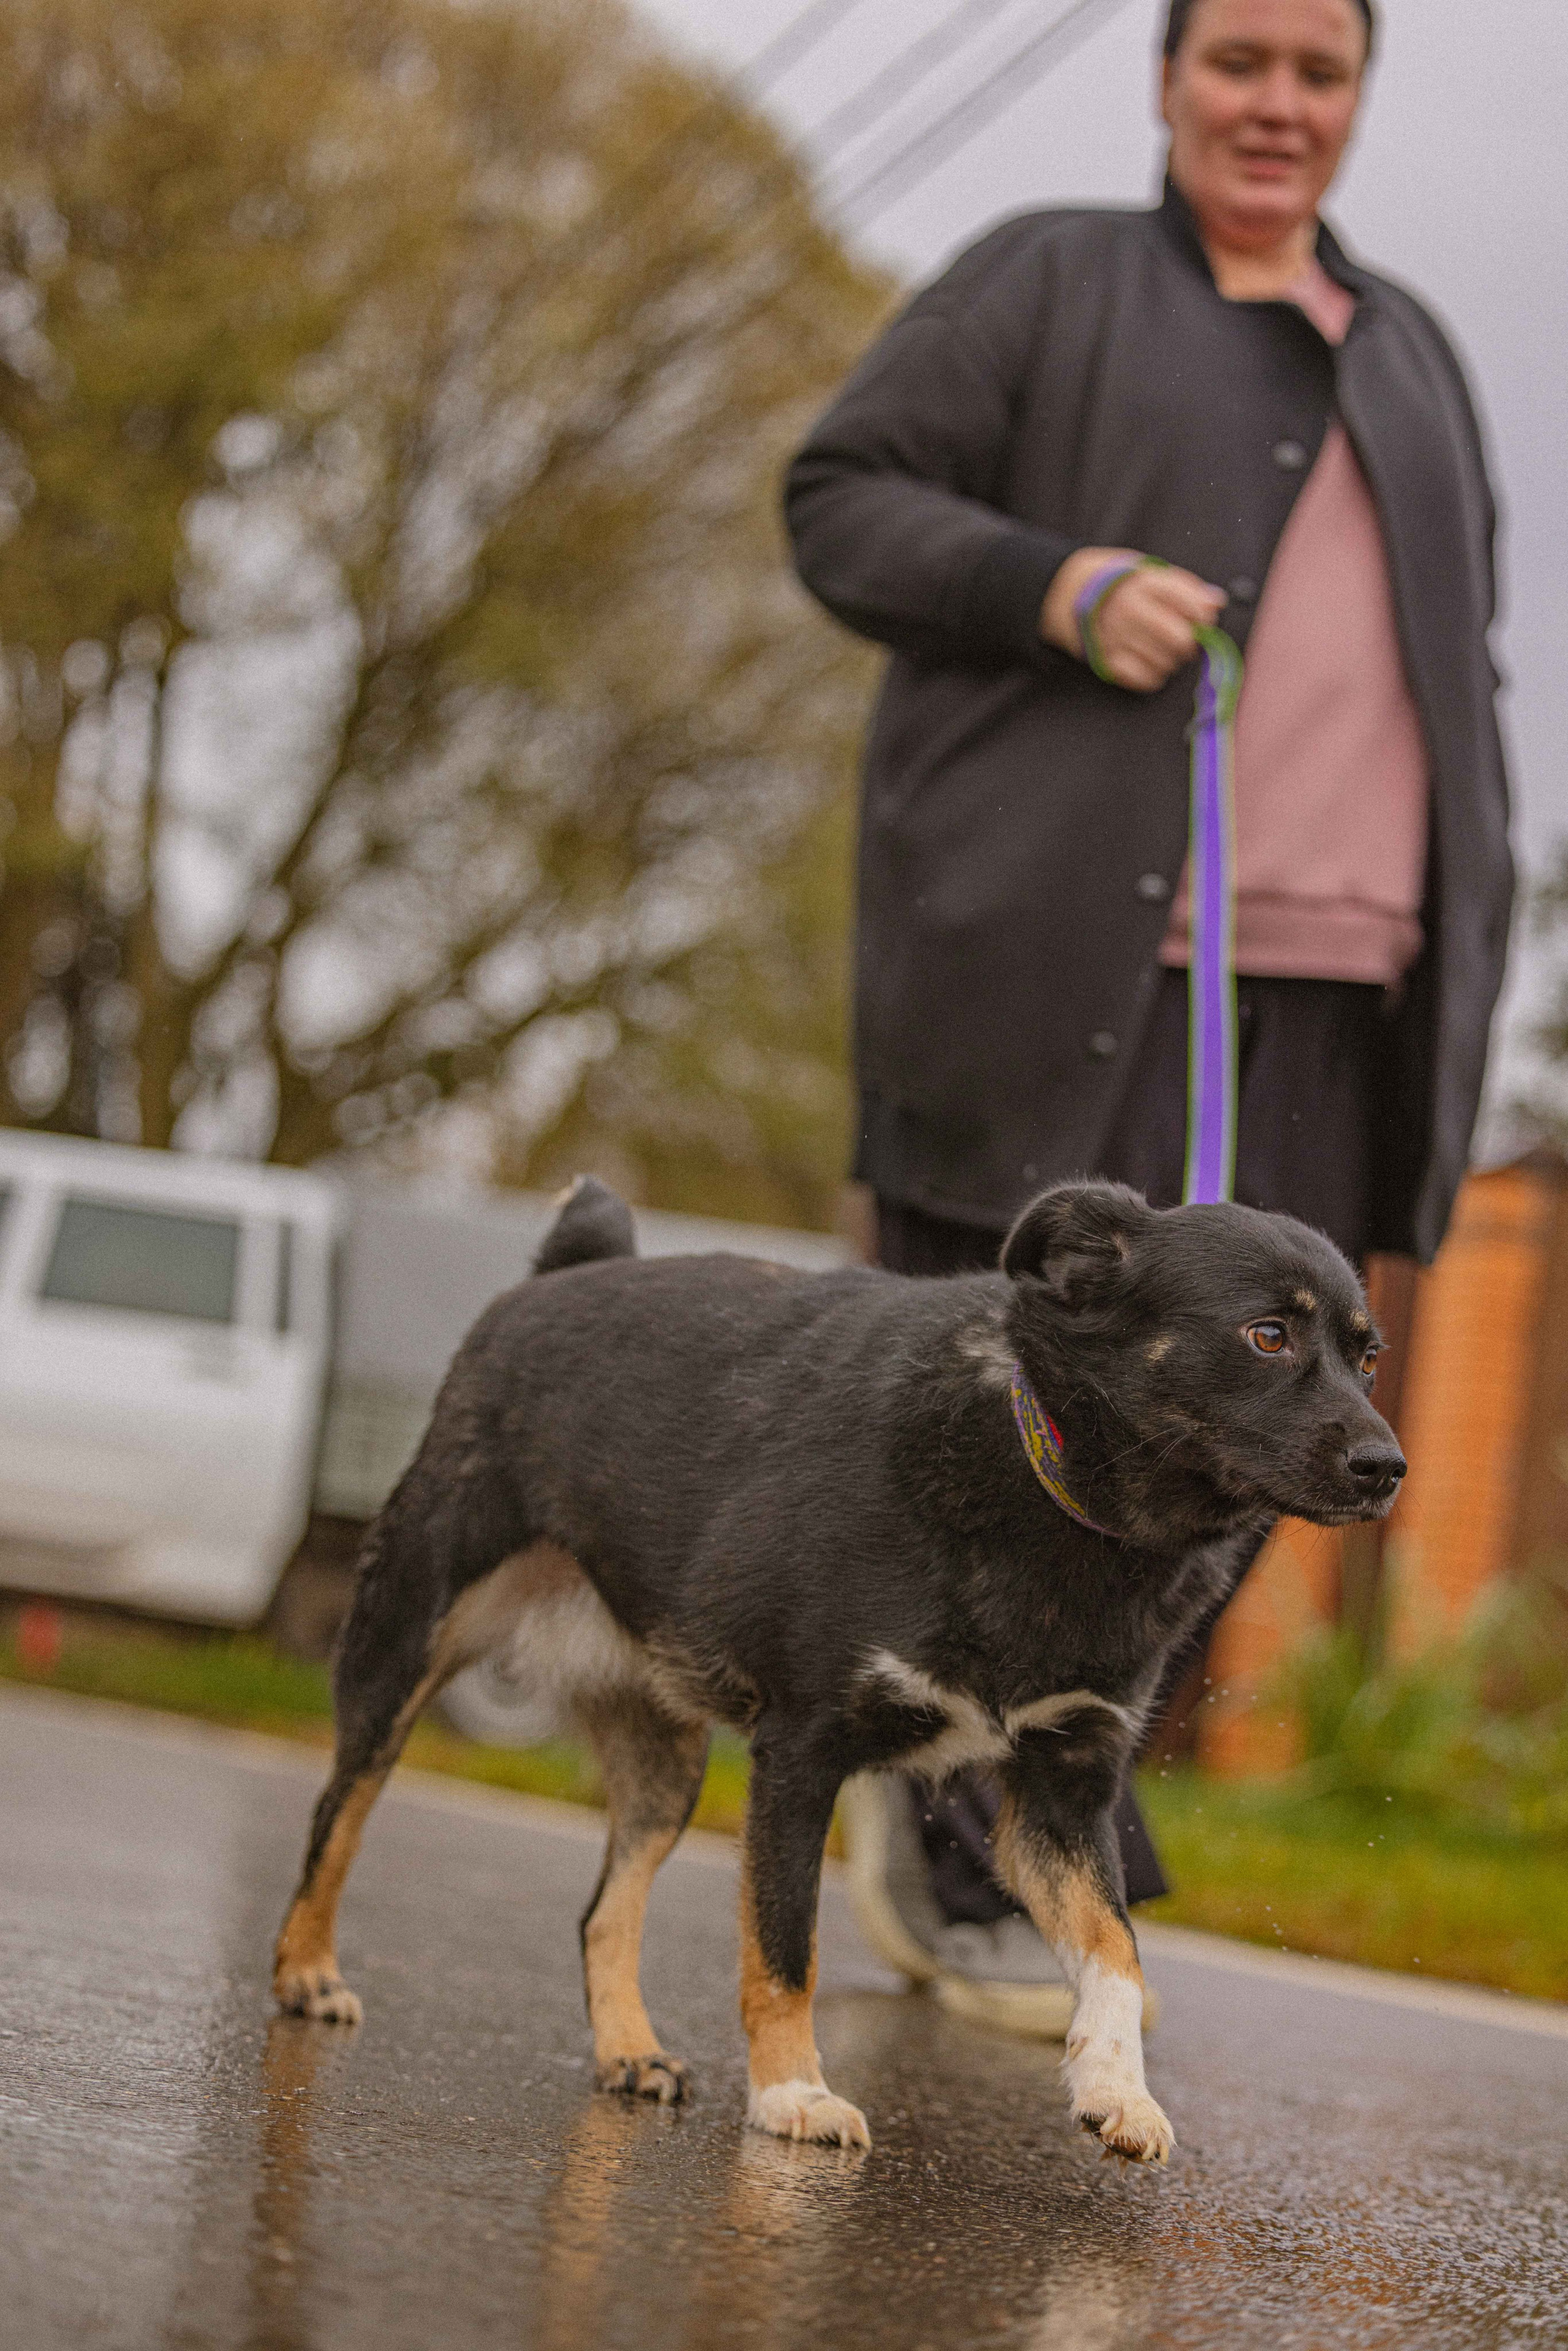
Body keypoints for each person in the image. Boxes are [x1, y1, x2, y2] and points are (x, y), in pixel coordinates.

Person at [785, 0, 1512, 2032]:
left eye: (1321, 70)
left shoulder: (1426, 353)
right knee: (986, 1413)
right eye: (1240, 61)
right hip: (1065, 961)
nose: (1278, 104)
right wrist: (1052, 581)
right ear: (1171, 79)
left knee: (1282, 1424)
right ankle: (970, 1838)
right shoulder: (1048, 278)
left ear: (1359, 98)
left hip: (1344, 977)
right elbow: (838, 499)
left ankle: (1036, 1814)